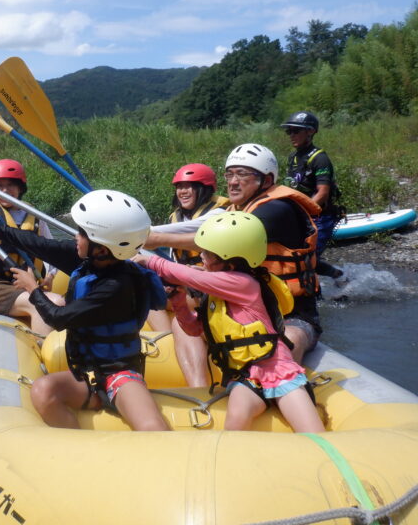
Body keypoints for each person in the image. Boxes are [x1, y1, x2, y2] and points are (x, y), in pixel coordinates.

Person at [0, 189, 169, 431]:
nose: (75, 237)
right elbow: (38, 244)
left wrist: (33, 289)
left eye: (81, 233)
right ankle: (80, 446)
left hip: (120, 374)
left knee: (151, 426)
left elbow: (58, 318)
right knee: (43, 391)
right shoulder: (89, 262)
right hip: (86, 376)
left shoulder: (116, 285)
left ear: (102, 248)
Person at [135, 211, 325, 433]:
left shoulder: (244, 284)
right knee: (236, 418)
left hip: (279, 371)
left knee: (312, 431)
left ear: (230, 259)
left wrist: (151, 261)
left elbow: (192, 277)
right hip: (246, 376)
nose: (201, 256)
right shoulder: (216, 294)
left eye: (207, 253)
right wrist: (179, 305)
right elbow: (195, 329)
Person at [223, 143, 321, 363]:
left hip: (293, 317)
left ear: (266, 181)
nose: (232, 182)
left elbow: (224, 238)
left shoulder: (276, 209)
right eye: (229, 174)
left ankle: (284, 390)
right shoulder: (236, 209)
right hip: (248, 312)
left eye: (242, 174)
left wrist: (155, 239)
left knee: (287, 340)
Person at [143, 163, 231, 386]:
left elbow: (181, 232)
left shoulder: (219, 214)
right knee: (143, 286)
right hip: (187, 284)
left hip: (209, 287)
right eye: (180, 187)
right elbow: (175, 258)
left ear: (204, 189)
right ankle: (166, 340)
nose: (183, 191)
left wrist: (140, 233)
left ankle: (174, 339)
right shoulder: (177, 216)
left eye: (190, 187)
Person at [0, 159, 61, 335]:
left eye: (10, 185)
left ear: (20, 188)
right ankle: (42, 347)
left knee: (57, 301)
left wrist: (50, 275)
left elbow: (51, 250)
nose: (4, 190)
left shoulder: (34, 217)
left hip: (28, 284)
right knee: (47, 303)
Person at [280, 111, 345, 279]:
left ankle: (339, 278)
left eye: (296, 131)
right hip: (303, 216)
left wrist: (304, 211)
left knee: (309, 258)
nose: (291, 135)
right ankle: (328, 280)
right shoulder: (293, 157)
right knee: (298, 255)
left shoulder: (319, 158)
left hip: (321, 217)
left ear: (310, 131)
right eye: (289, 131)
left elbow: (323, 192)